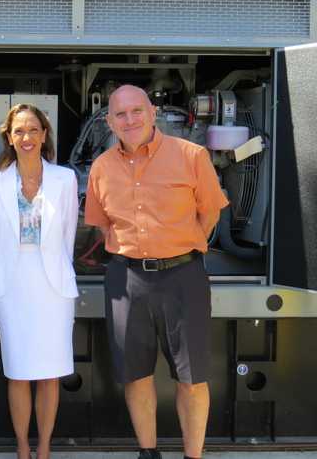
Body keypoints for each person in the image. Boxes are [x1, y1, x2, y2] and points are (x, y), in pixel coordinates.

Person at [85, 84, 229, 459]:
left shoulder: (191, 155)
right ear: (109, 121)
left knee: (193, 377)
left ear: (152, 113)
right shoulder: (101, 168)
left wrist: (181, 243)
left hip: (183, 276)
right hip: (126, 279)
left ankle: (192, 456)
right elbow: (103, 226)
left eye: (136, 111)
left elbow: (210, 212)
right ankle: (147, 453)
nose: (129, 120)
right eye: (120, 114)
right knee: (135, 374)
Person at [0, 103, 79, 459]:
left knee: (49, 374)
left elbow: (67, 238)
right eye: (19, 130)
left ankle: (44, 446)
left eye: (33, 129)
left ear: (44, 135)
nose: (26, 137)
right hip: (13, 287)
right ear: (9, 137)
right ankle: (23, 446)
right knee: (19, 372)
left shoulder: (65, 179)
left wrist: (55, 271)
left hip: (53, 287)